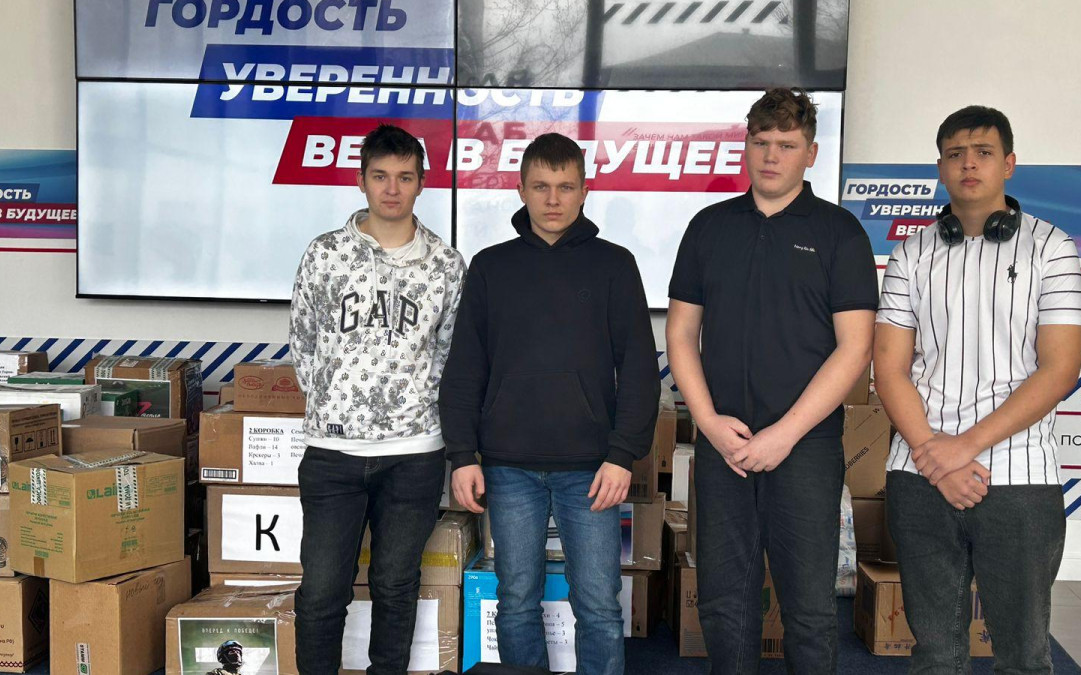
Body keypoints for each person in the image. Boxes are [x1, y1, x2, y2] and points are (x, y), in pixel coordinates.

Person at [666, 88, 878, 673]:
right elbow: (681, 335)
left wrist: (784, 434)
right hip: (724, 445)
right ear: (746, 145)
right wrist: (708, 423)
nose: (771, 156)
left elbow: (855, 347)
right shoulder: (708, 227)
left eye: (786, 145)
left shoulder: (840, 232)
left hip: (804, 447)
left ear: (811, 153)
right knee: (722, 603)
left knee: (809, 609)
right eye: (761, 142)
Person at [873, 105, 1081, 673]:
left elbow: (1059, 370)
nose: (969, 164)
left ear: (1008, 164)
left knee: (1023, 657)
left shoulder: (1051, 247)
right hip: (920, 475)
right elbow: (888, 370)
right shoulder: (911, 253)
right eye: (955, 154)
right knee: (935, 656)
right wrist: (933, 454)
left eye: (984, 153)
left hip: (1019, 477)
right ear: (940, 167)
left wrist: (960, 449)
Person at [441, 132, 659, 675]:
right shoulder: (490, 267)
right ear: (521, 190)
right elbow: (465, 369)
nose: (553, 199)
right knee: (516, 599)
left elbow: (638, 368)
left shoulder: (615, 265)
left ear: (585, 190)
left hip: (592, 469)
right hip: (508, 467)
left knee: (599, 605)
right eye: (541, 186)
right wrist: (463, 454)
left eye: (565, 186)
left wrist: (622, 454)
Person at [288, 123, 466, 674]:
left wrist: (416, 411)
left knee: (395, 585)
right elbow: (303, 341)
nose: (392, 189)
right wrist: (335, 406)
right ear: (361, 181)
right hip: (333, 453)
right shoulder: (325, 254)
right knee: (322, 591)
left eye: (405, 177)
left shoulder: (445, 265)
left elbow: (449, 353)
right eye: (381, 176)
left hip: (414, 454)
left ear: (422, 183)